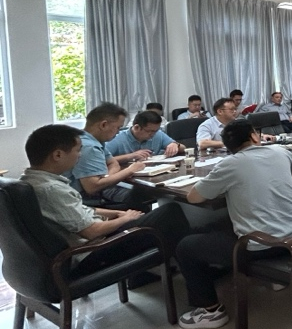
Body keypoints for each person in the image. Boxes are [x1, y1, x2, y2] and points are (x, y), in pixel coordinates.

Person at [176, 120, 292, 329]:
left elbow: (193, 197)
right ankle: (274, 278)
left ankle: (210, 311)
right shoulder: (281, 152)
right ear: (254, 136)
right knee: (227, 224)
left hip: (261, 247)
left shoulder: (230, 164)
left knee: (186, 246)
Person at [21, 124, 190, 278]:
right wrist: (125, 219)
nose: (80, 155)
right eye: (77, 150)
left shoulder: (29, 181)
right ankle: (190, 270)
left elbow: (76, 210)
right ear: (58, 155)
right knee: (170, 213)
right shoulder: (51, 189)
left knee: (157, 217)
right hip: (90, 253)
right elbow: (91, 232)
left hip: (82, 245)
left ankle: (168, 265)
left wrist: (116, 213)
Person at [67, 102, 152, 210]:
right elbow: (92, 187)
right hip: (86, 206)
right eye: (118, 127)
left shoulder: (93, 140)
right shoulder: (89, 147)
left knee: (140, 195)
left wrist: (106, 178)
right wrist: (130, 170)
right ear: (103, 125)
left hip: (96, 197)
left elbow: (113, 163)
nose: (118, 132)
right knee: (146, 201)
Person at [108, 110, 184, 162]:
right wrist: (131, 156)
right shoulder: (117, 139)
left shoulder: (158, 134)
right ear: (137, 127)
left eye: (155, 131)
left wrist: (175, 145)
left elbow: (183, 148)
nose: (153, 134)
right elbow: (103, 160)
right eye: (149, 131)